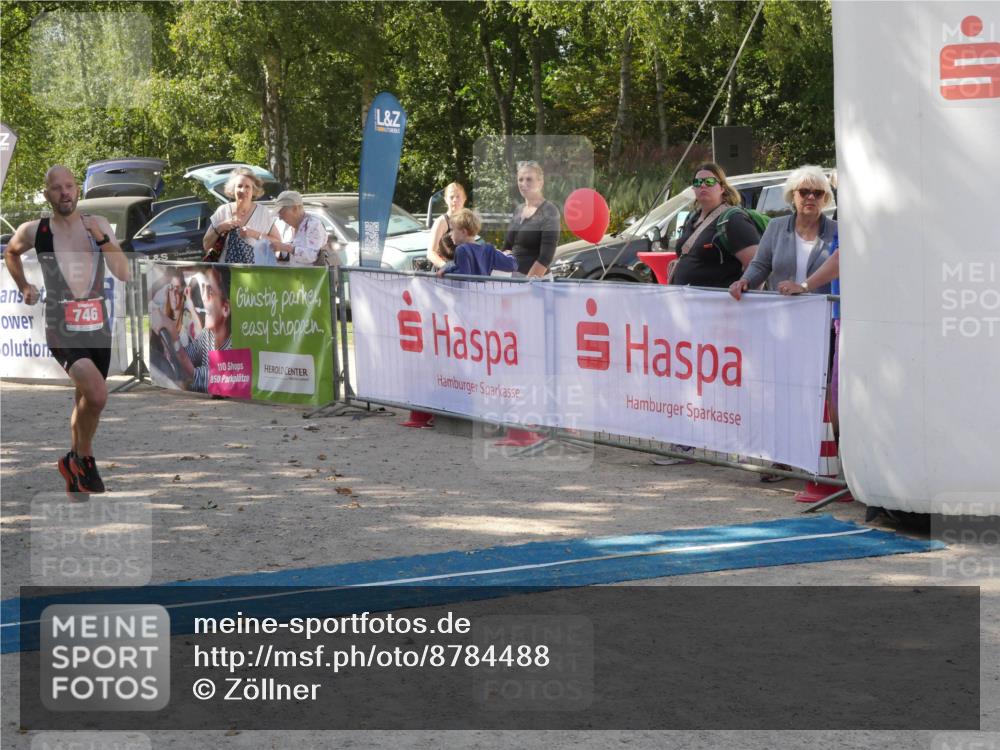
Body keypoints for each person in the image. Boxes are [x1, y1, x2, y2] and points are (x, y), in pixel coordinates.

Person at [3, 165, 130, 494]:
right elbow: (11, 253)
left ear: (78, 190)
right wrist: (23, 285)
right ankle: (84, 460)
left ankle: (72, 464)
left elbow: (123, 272)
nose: (65, 193)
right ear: (47, 194)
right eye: (57, 188)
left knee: (86, 400)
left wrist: (102, 240)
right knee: (98, 395)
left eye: (69, 186)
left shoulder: (97, 226)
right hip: (61, 327)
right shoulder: (35, 231)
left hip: (97, 327)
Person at [729, 165, 837, 300]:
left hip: (823, 314)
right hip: (781, 312)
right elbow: (760, 265)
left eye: (818, 193)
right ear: (793, 195)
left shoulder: (837, 232)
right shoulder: (776, 226)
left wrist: (803, 287)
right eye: (804, 192)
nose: (810, 197)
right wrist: (745, 281)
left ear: (825, 198)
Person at [671, 162, 761, 288]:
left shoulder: (733, 220)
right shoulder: (692, 218)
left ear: (722, 188)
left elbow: (757, 267)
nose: (702, 185)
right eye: (697, 182)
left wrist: (746, 303)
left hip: (719, 305)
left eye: (709, 182)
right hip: (687, 303)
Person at [158, 265, 232, 393]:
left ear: (225, 309)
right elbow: (187, 356)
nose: (203, 298)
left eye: (210, 292)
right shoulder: (208, 334)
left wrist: (173, 339)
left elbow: (196, 376)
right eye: (203, 290)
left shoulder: (233, 347)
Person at [202, 167, 281, 264]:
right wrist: (221, 227)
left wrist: (254, 234)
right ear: (233, 190)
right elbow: (206, 245)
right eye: (239, 186)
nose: (243, 190)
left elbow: (278, 244)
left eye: (247, 186)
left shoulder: (263, 213)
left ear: (253, 191)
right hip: (226, 273)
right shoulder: (223, 211)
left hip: (256, 274)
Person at [502, 161, 561, 277]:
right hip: (511, 281)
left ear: (540, 182)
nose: (523, 183)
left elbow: (545, 258)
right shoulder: (518, 210)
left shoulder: (550, 211)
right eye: (520, 179)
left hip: (535, 284)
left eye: (529, 179)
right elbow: (507, 247)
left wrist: (527, 284)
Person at [439, 209, 517, 278]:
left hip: (466, 294)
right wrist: (509, 255)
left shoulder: (461, 249)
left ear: (463, 232)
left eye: (452, 230)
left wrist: (447, 270)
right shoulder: (488, 250)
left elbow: (463, 277)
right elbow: (513, 265)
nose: (450, 234)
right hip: (483, 293)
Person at [272, 190, 329, 266]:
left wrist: (286, 248)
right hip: (291, 276)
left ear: (295, 209)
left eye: (282, 212)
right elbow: (287, 259)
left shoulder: (314, 225)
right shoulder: (287, 227)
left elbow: (313, 255)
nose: (280, 217)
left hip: (312, 276)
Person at [426, 182, 467, 269]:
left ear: (464, 199)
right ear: (445, 199)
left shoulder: (467, 220)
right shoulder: (441, 222)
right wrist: (447, 267)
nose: (455, 200)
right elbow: (431, 253)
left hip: (464, 271)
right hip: (445, 275)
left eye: (458, 196)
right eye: (451, 197)